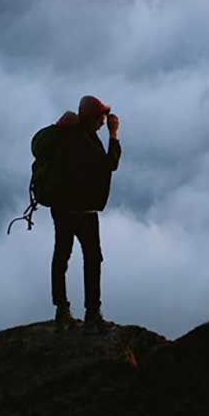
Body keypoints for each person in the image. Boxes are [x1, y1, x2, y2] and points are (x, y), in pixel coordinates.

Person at [35, 94, 122, 330]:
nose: (103, 122)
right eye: (101, 118)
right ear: (92, 118)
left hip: (62, 209)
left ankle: (61, 310)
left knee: (62, 256)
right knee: (92, 259)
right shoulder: (84, 141)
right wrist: (114, 135)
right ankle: (92, 314)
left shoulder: (66, 135)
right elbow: (109, 164)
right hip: (83, 211)